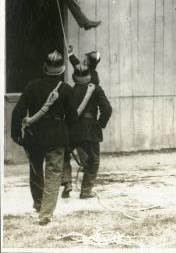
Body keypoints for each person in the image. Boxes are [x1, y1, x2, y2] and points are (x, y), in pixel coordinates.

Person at [10, 51, 77, 225]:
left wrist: (16, 133)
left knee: (35, 170)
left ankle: (39, 205)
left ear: (45, 68)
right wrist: (71, 139)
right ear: (62, 70)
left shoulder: (32, 86)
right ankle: (46, 214)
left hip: (34, 136)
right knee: (53, 174)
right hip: (57, 136)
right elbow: (73, 118)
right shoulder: (66, 89)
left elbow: (18, 112)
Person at [61, 64, 112, 199]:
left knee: (64, 156)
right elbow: (107, 109)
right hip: (89, 130)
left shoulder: (69, 91)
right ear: (89, 77)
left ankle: (67, 183)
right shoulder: (96, 90)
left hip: (71, 130)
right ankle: (86, 191)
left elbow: (63, 113)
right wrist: (100, 124)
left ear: (74, 78)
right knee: (93, 160)